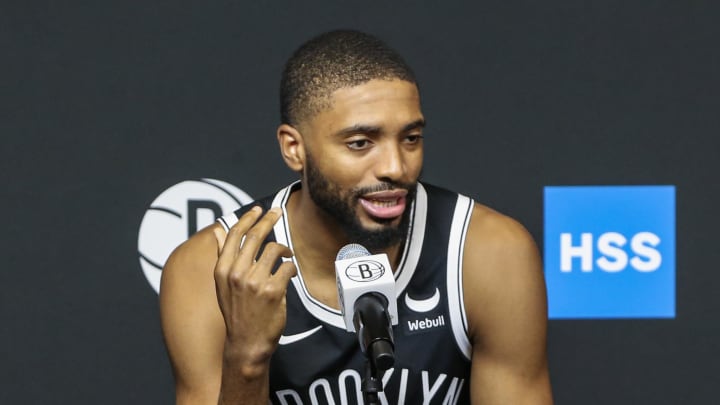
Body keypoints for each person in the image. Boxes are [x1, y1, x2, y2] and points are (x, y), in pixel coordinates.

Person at [160, 29, 553, 404]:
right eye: (360, 143)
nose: (396, 167)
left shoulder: (488, 253)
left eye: (410, 139)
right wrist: (246, 357)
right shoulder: (208, 267)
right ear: (294, 148)